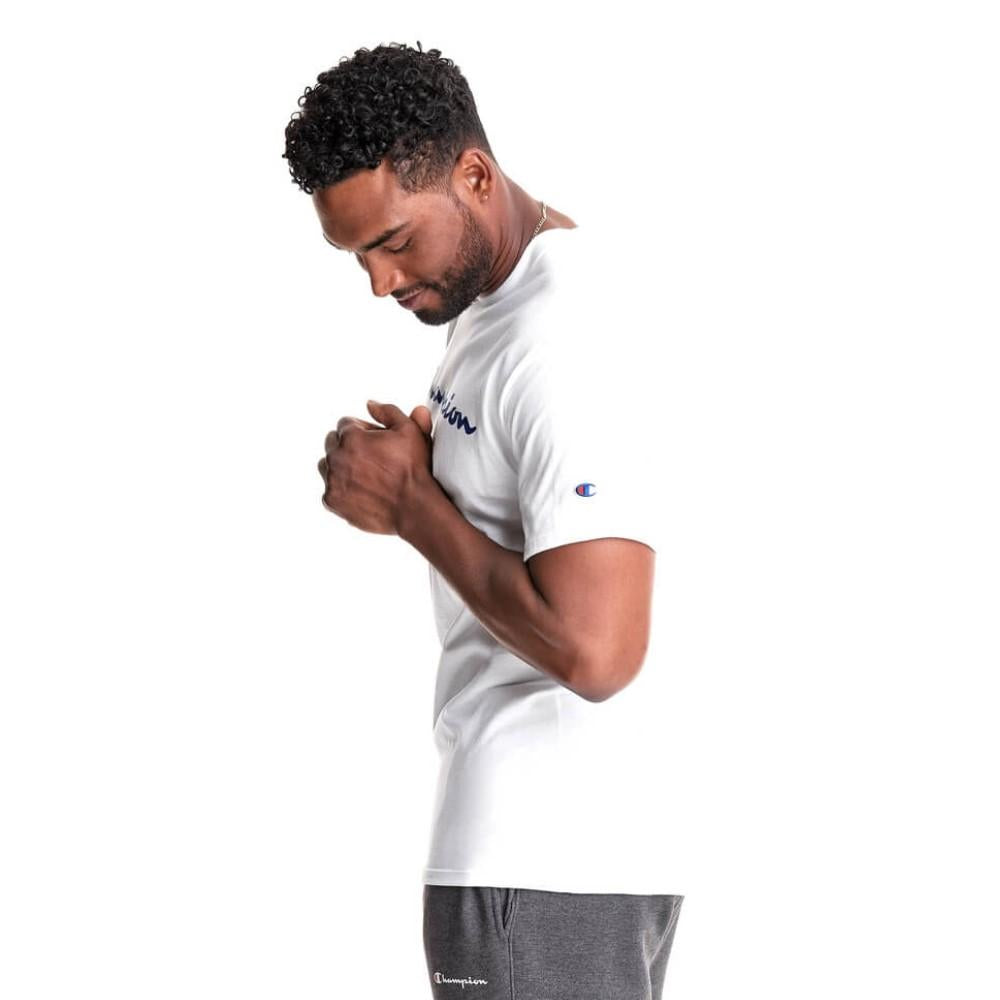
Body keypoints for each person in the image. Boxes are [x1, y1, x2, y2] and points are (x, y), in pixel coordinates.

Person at [283, 40, 684, 999]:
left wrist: (412, 506)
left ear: (473, 175)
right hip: (567, 859)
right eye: (356, 255)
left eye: (392, 242)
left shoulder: (558, 337)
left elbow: (599, 651)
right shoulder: (501, 297)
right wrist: (427, 475)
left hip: (542, 860)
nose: (379, 282)